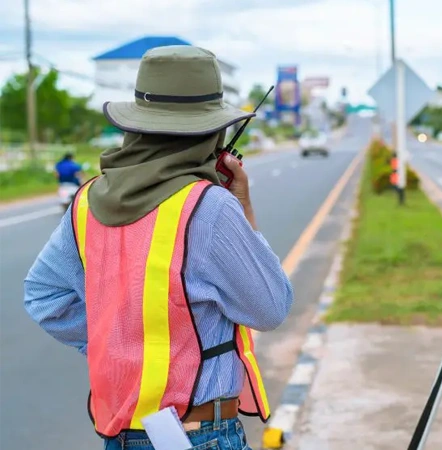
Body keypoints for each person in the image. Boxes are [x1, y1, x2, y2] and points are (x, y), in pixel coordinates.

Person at [23, 45, 294, 449]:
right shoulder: (210, 205)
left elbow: (44, 296)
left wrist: (123, 344)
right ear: (211, 132)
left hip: (122, 435)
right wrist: (244, 207)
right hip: (199, 435)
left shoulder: (87, 199)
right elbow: (270, 307)